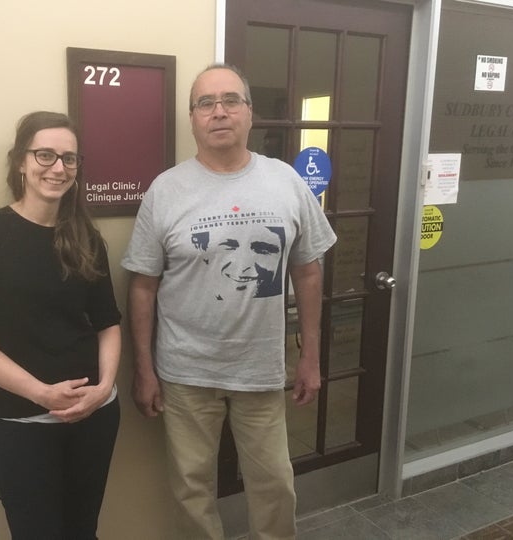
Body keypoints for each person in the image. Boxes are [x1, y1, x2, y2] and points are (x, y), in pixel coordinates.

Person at [122, 64, 337, 540]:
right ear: (193, 117)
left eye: (230, 100)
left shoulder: (285, 182)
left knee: (275, 485)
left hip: (260, 371)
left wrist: (310, 356)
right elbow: (143, 285)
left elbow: (307, 270)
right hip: (184, 374)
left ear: (249, 112)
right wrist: (143, 368)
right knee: (191, 490)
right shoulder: (166, 190)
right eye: (206, 103)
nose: (219, 112)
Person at [0, 111, 121, 540]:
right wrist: (43, 394)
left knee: (83, 531)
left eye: (69, 158)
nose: (58, 167)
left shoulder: (85, 237)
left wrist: (102, 390)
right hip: (21, 423)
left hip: (94, 416)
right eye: (45, 155)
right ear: (21, 163)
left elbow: (108, 324)